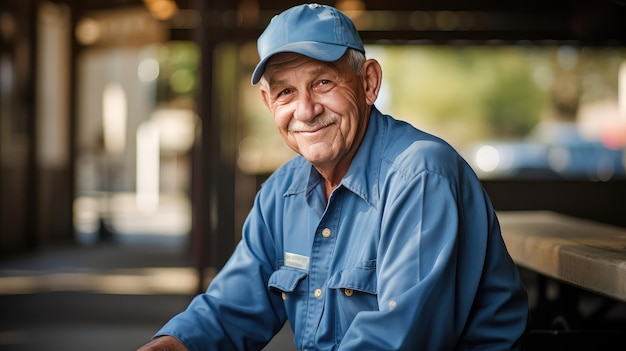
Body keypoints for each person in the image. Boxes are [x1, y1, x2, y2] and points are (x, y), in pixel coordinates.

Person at [137, 3, 529, 350]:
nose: (305, 110)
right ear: (268, 102)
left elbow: (398, 338)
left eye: (323, 82)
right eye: (286, 92)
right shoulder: (281, 193)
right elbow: (229, 311)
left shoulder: (420, 175)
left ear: (369, 83)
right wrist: (169, 346)